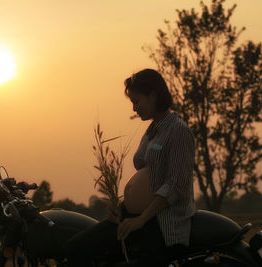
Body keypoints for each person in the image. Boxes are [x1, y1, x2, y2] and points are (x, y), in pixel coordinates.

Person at [65, 68, 196, 266]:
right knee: (76, 247)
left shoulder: (177, 131)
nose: (134, 108)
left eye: (137, 101)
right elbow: (148, 179)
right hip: (135, 218)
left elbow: (176, 185)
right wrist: (122, 207)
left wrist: (141, 219)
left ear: (153, 95)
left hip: (159, 224)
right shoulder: (152, 131)